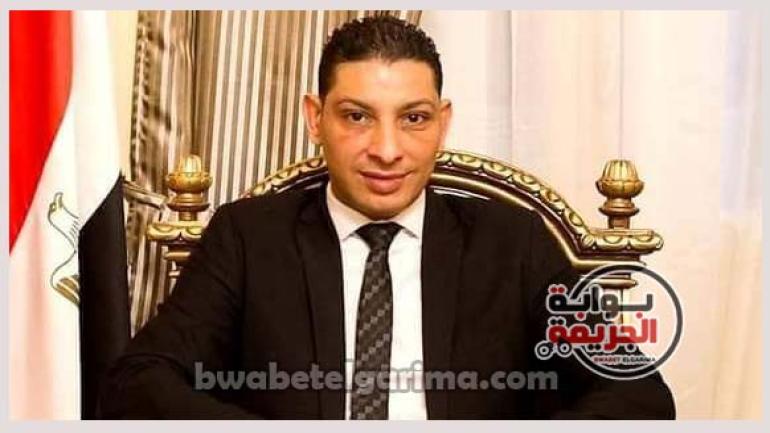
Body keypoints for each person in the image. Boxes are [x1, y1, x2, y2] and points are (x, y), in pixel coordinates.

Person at [99, 15, 675, 420]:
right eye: (357, 117)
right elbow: (138, 384)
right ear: (315, 118)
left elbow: (638, 396)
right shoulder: (249, 237)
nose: (387, 149)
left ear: (443, 124)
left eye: (414, 118)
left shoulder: (513, 244)